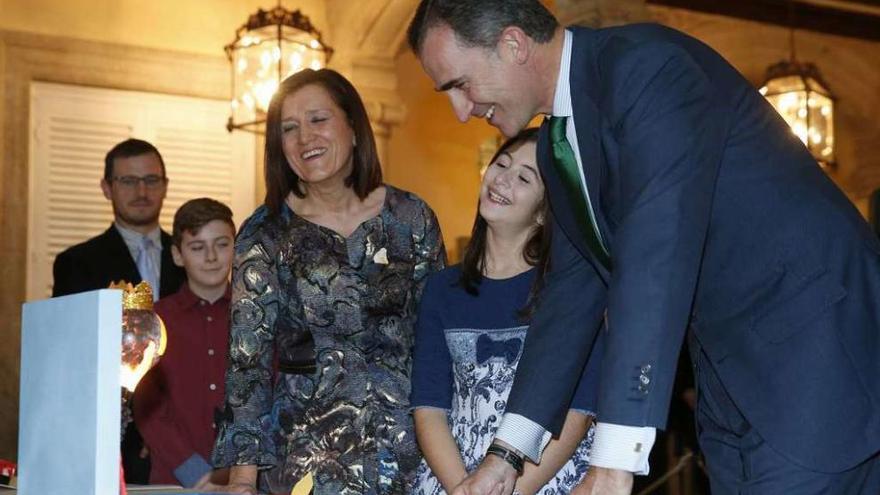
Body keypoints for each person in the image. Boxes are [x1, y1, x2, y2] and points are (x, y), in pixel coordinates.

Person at [407, 1, 880, 494]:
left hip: (818, 359)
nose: (461, 112)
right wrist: (505, 456)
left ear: (512, 44)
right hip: (732, 380)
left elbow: (656, 253)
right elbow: (570, 298)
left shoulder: (648, 68)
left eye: (459, 85)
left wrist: (613, 460)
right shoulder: (555, 144)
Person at [211, 68, 447, 495]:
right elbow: (248, 364)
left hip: (410, 455)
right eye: (289, 128)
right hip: (305, 460)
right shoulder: (264, 233)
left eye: (318, 120)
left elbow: (437, 343)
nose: (305, 138)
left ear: (354, 127)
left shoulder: (412, 218)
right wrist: (243, 480)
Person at [410, 128, 601, 495]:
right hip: (457, 475)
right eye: (502, 163)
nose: (503, 179)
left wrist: (515, 491)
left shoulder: (567, 291)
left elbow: (579, 410)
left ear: (545, 212)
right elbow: (429, 407)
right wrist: (463, 488)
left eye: (524, 177)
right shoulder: (442, 289)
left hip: (543, 475)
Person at [52, 137, 186, 484]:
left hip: (189, 429)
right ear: (106, 188)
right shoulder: (76, 264)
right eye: (128, 180)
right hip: (113, 438)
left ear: (165, 186)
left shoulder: (193, 257)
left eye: (151, 180)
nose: (141, 190)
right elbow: (73, 358)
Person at [134, 198, 236, 489]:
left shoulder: (260, 315)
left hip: (247, 481)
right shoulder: (152, 319)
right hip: (174, 480)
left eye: (222, 244)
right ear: (178, 255)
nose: (212, 257)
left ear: (237, 248)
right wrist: (197, 474)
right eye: (197, 247)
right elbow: (148, 409)